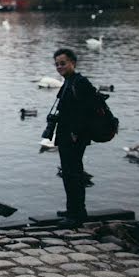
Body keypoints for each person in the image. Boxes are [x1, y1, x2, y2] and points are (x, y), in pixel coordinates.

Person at [52, 48, 98, 227]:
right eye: (57, 64)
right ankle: (72, 209)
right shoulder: (68, 82)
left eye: (63, 63)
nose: (59, 67)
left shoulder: (80, 82)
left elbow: (88, 110)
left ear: (73, 63)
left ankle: (77, 215)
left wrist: (75, 132)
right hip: (66, 135)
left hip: (75, 136)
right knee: (68, 173)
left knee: (74, 173)